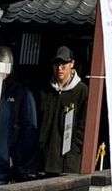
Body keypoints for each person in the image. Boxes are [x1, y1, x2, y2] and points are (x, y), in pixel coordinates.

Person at [0, 45, 38, 188]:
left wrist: (15, 158)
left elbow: (30, 129)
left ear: (7, 69)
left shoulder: (20, 93)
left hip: (2, 171)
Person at [37, 45, 89, 175]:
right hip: (44, 158)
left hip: (69, 161)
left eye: (63, 64)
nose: (59, 69)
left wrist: (75, 147)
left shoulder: (82, 91)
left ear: (72, 64)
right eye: (56, 65)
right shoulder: (45, 90)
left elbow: (84, 124)